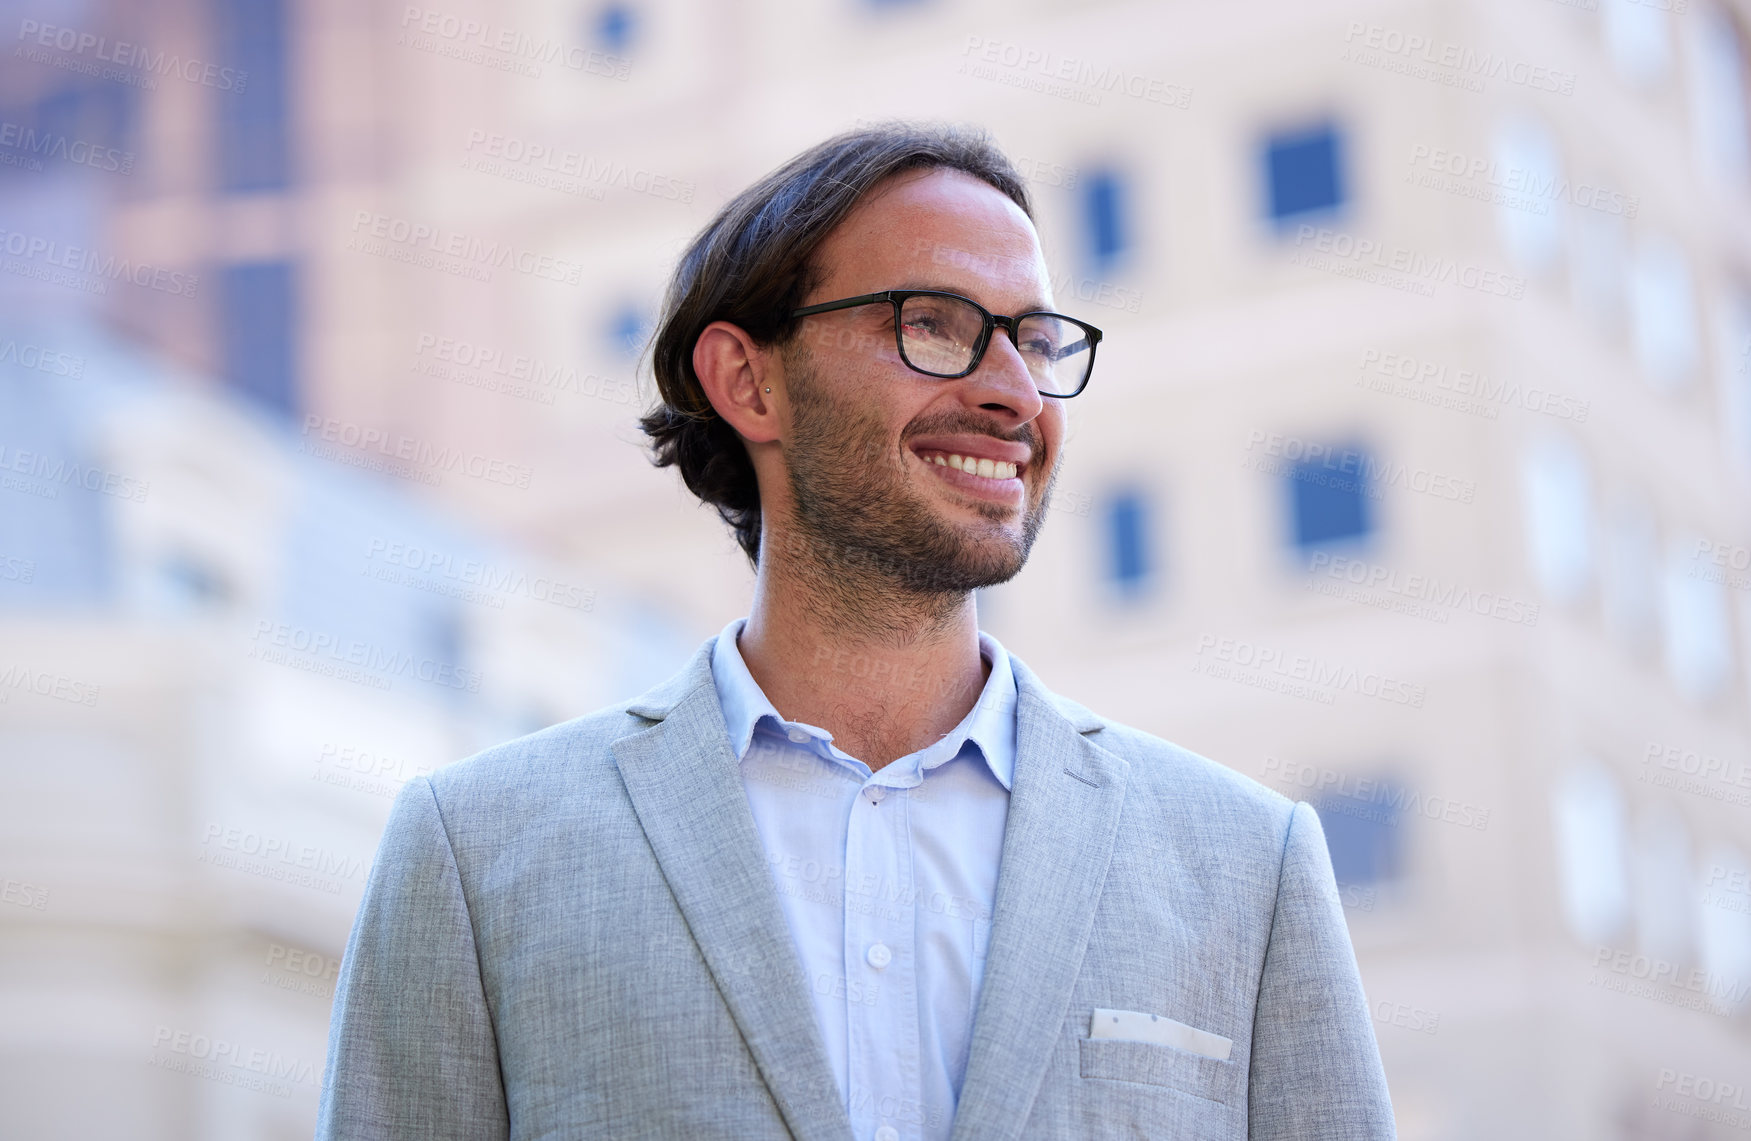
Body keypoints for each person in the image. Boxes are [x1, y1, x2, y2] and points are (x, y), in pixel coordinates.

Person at [316, 123, 1396, 1141]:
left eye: (1035, 339)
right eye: (932, 323)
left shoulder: (1247, 869)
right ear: (749, 380)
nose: (1016, 393)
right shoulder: (476, 854)